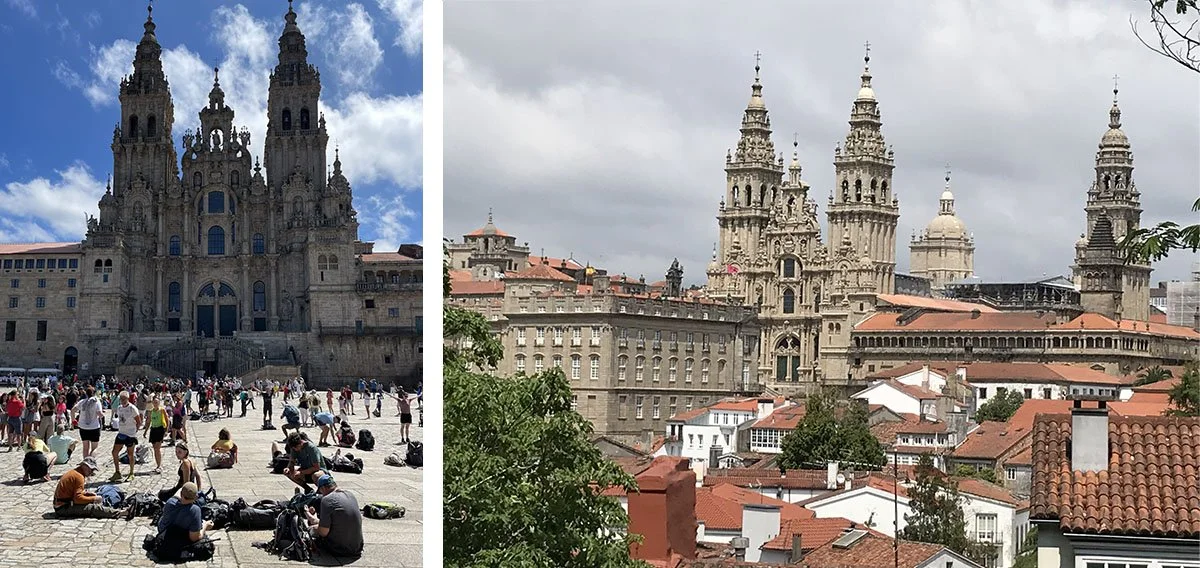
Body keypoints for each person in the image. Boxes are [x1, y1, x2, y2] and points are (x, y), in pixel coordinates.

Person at [53, 456, 132, 519]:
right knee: (93, 508)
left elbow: (75, 493)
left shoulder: (75, 473)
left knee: (93, 498)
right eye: (91, 469)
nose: (92, 472)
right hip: (63, 508)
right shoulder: (79, 477)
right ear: (85, 466)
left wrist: (87, 494)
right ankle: (121, 513)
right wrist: (94, 499)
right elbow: (77, 499)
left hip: (62, 503)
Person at [305, 474, 363, 557]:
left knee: (311, 530)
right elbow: (338, 522)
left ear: (323, 488)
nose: (321, 494)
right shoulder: (350, 494)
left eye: (320, 491)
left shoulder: (327, 500)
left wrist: (313, 528)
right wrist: (311, 517)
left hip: (339, 549)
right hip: (357, 548)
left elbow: (323, 532)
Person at [155, 482, 214, 561]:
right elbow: (194, 538)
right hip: (177, 538)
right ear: (196, 497)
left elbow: (180, 492)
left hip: (163, 531)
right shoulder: (194, 510)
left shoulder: (170, 501)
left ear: (181, 494)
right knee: (200, 526)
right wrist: (205, 526)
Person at [110, 391, 142, 482]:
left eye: (124, 399)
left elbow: (139, 421)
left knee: (130, 454)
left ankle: (131, 473)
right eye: (121, 399)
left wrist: (134, 431)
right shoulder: (119, 408)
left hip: (130, 435)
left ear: (128, 399)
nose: (123, 401)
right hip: (121, 433)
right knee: (114, 452)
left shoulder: (132, 408)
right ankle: (117, 472)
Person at [73, 387, 103, 458]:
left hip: (83, 427)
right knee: (94, 448)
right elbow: (99, 413)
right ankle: (91, 462)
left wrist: (73, 420)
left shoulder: (82, 402)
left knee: (85, 448)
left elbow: (73, 410)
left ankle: (85, 463)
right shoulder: (96, 402)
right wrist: (102, 415)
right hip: (94, 427)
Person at [142, 396, 169, 474]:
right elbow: (148, 422)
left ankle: (159, 466)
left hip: (160, 429)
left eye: (156, 402)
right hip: (153, 430)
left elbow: (167, 420)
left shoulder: (162, 410)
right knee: (155, 448)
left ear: (159, 403)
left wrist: (166, 430)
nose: (155, 404)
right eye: (154, 403)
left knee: (157, 448)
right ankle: (158, 464)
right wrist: (145, 431)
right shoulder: (151, 411)